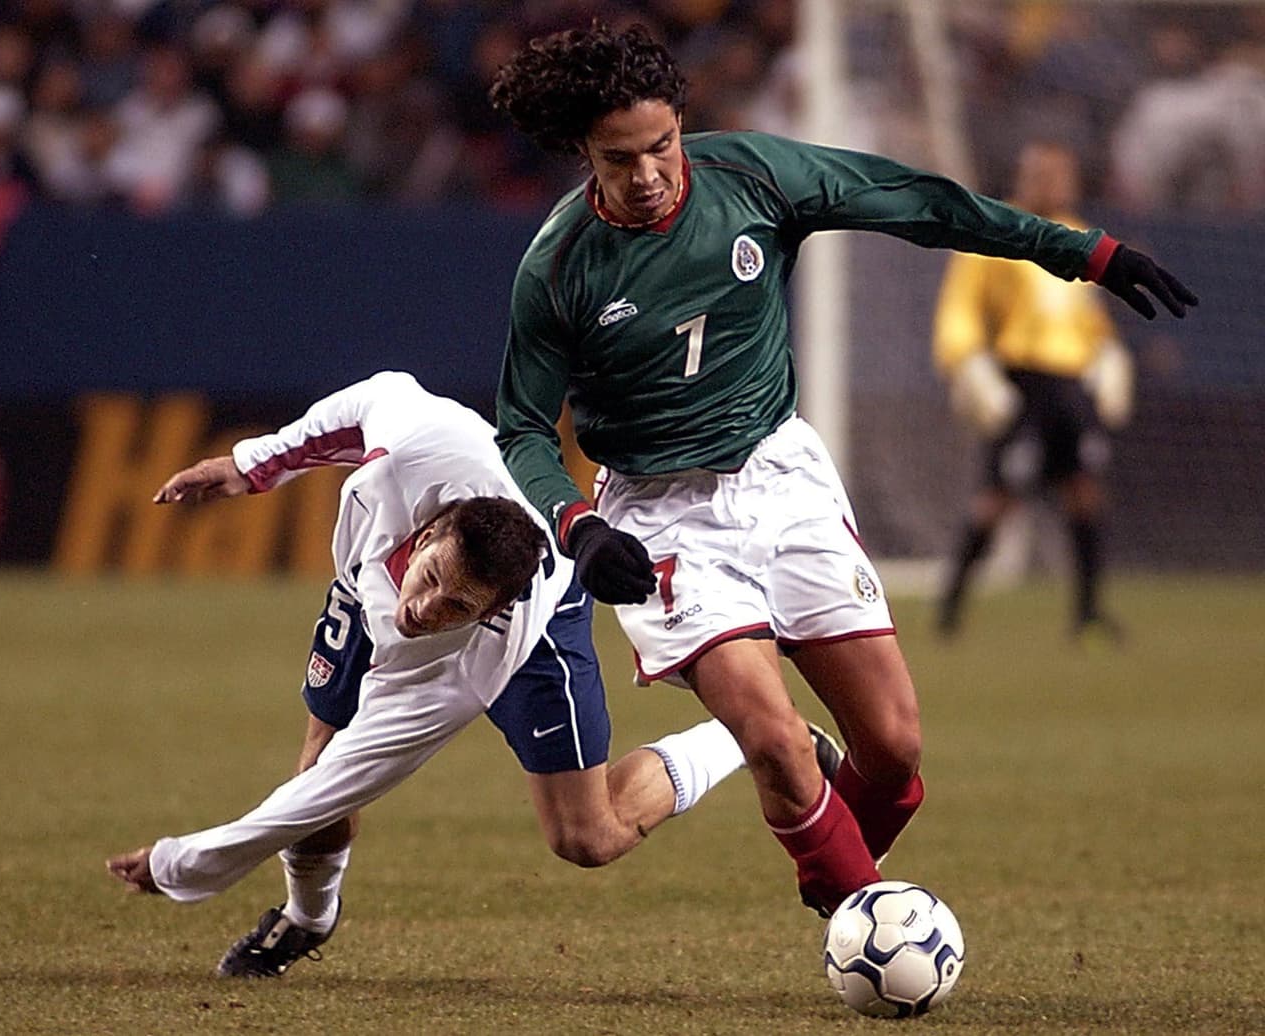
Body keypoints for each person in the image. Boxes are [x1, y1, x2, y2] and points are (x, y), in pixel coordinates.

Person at [488, 24, 1197, 918]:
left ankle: (841, 895)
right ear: (584, 154)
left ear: (682, 124)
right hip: (662, 516)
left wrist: (1081, 252)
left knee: (894, 752)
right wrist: (579, 525)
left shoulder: (755, 176)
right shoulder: (558, 267)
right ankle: (866, 922)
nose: (648, 173)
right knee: (777, 743)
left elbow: (918, 202)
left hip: (780, 477)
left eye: (661, 144)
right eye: (619, 158)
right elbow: (521, 431)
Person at [107, 371, 746, 977]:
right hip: (366, 588)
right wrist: (254, 464)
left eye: (457, 605)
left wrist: (181, 864)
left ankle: (745, 735)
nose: (424, 610)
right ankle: (307, 920)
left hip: (542, 630)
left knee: (587, 837)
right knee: (314, 761)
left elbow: (339, 783)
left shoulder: (477, 655)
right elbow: (375, 395)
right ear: (433, 529)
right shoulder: (422, 442)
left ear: (488, 611)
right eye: (434, 577)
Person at [933, 141, 1134, 639]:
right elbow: (960, 307)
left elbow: (1088, 315)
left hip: (1072, 385)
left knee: (1085, 490)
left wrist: (1109, 355)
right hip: (1023, 381)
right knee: (998, 495)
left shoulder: (1080, 236)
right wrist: (968, 362)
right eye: (1043, 174)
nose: (1054, 184)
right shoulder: (997, 230)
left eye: (1061, 175)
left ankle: (1088, 612)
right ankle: (951, 604)